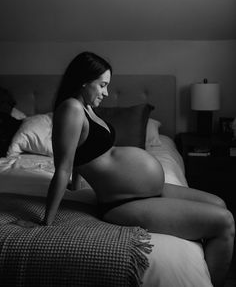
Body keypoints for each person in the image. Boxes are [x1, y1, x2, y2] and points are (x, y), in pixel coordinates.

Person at [41, 52, 235, 286]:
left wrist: (76, 183)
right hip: (122, 203)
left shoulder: (85, 107)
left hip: (145, 191)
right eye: (102, 85)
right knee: (224, 221)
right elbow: (63, 165)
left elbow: (80, 150)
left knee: (219, 204)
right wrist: (46, 222)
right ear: (84, 81)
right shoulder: (71, 108)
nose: (106, 93)